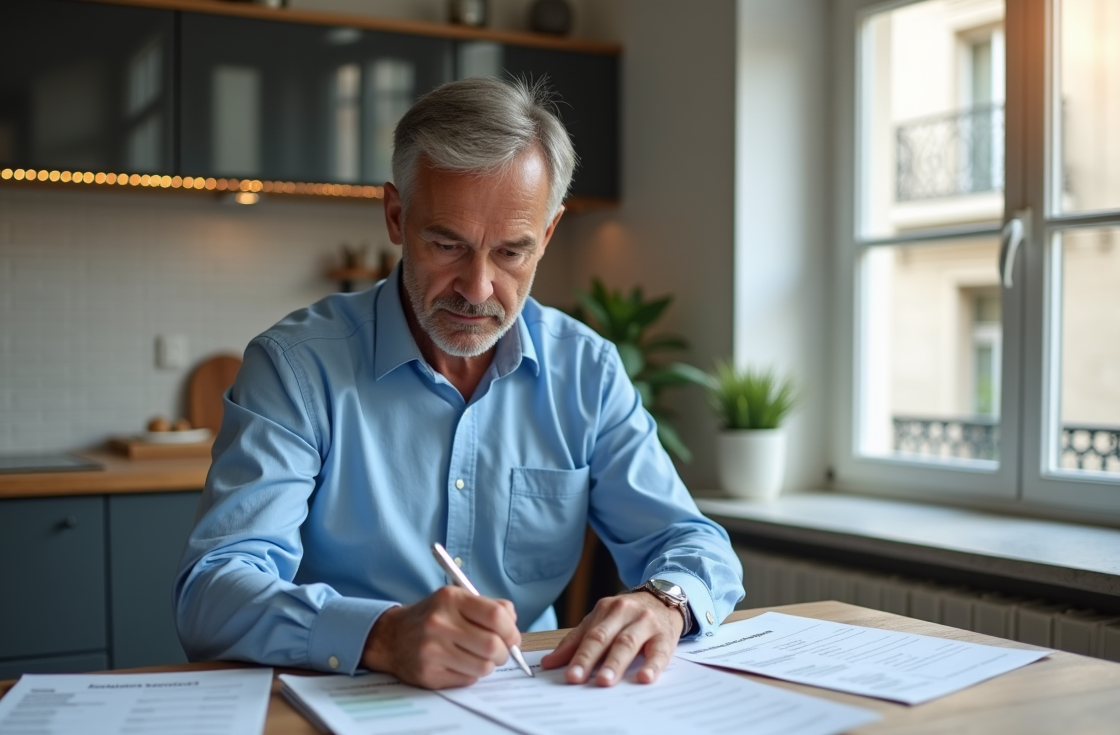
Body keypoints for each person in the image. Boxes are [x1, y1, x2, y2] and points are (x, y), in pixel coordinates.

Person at [173, 77, 743, 690]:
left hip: (528, 698)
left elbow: (691, 542)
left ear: (547, 237)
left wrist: (666, 602)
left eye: (511, 253)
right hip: (342, 700)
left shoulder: (586, 371)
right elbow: (213, 593)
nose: (477, 289)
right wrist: (382, 634)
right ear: (396, 216)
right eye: (448, 245)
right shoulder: (294, 369)